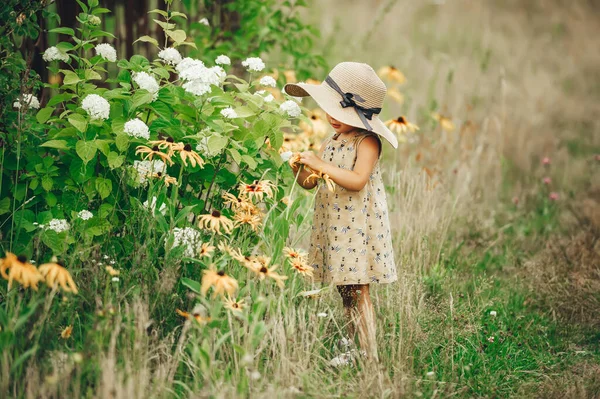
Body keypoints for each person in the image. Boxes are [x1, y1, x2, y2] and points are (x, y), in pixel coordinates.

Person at [284, 62, 398, 366]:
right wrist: (300, 169)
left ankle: (370, 355)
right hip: (335, 227)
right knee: (345, 290)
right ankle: (354, 346)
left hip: (358, 227)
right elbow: (312, 184)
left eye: (341, 113)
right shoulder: (331, 141)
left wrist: (321, 165)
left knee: (359, 291)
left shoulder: (367, 141)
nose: (332, 118)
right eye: (329, 110)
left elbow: (357, 180)